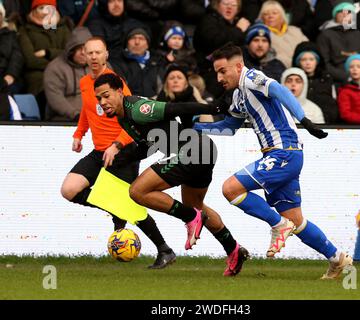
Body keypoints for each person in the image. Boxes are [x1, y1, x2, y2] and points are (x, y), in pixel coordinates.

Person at [194, 43, 353, 279]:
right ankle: (337, 258)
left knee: (230, 189)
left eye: (222, 71)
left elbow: (279, 89)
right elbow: (229, 128)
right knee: (295, 220)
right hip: (278, 156)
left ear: (238, 66)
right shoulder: (238, 96)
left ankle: (278, 225)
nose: (219, 77)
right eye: (216, 72)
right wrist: (196, 126)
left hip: (284, 152)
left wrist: (304, 120)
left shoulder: (251, 77)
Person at [93, 72, 250, 277]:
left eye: (106, 95)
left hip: (193, 150)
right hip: (203, 151)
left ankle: (191, 217)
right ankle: (234, 249)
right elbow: (146, 146)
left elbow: (175, 108)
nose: (103, 102)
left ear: (119, 92)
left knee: (138, 191)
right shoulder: (123, 118)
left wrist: (213, 108)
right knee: (197, 206)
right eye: (99, 98)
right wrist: (121, 158)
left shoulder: (138, 108)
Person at [60, 37, 176, 269]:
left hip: (122, 152)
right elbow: (87, 111)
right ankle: (116, 210)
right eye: (89, 52)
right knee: (69, 189)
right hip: (99, 152)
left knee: (130, 204)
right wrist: (79, 133)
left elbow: (133, 120)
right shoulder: (85, 83)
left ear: (106, 56)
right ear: (84, 55)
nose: (93, 57)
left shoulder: (116, 83)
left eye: (98, 52)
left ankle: (165, 249)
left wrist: (117, 145)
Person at [18, 0, 72, 118]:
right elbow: (30, 60)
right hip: (38, 77)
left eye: (49, 8)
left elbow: (70, 54)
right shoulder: (25, 31)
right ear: (34, 11)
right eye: (41, 8)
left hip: (63, 74)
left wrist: (48, 52)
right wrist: (58, 60)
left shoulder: (63, 29)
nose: (45, 12)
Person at [315, 0, 360, 84]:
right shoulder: (325, 35)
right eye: (341, 12)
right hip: (334, 81)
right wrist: (346, 77)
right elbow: (324, 63)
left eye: (349, 12)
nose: (345, 15)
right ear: (335, 16)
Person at [44, 27, 92, 121]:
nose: (83, 53)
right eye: (79, 49)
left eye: (86, 49)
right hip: (66, 119)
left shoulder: (101, 65)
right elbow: (55, 99)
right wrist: (75, 115)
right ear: (71, 50)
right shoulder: (55, 68)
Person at [110, 26, 165, 99]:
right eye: (133, 38)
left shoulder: (157, 63)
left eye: (141, 39)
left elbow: (162, 88)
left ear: (147, 45)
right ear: (127, 43)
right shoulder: (118, 63)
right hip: (129, 104)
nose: (137, 42)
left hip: (155, 104)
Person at [257, 0, 309, 68]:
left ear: (282, 15)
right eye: (266, 14)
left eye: (274, 13)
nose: (270, 16)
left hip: (304, 68)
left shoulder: (295, 30)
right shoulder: (262, 36)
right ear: (262, 18)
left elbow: (308, 48)